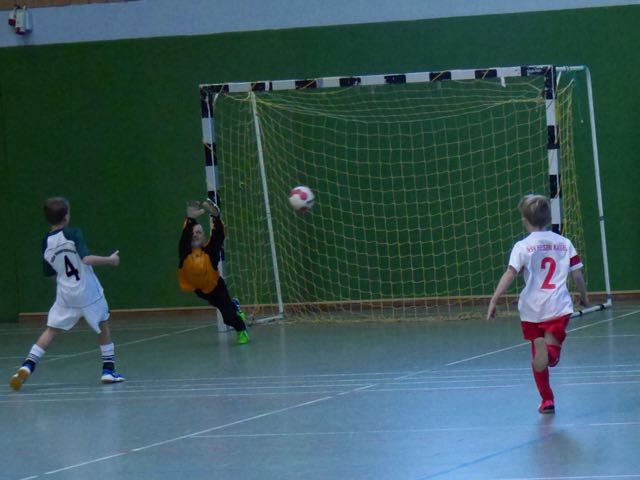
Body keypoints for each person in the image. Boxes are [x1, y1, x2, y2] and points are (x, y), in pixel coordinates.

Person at [487, 194, 589, 414]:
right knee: (551, 356)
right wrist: (584, 296)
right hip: (557, 306)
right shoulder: (564, 243)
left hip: (531, 308)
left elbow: (510, 273)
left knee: (537, 358)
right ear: (549, 219)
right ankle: (549, 354)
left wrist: (494, 300)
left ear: (525, 220)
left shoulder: (522, 246)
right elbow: (577, 274)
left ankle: (547, 400)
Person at [9, 197, 124, 391]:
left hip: (66, 294)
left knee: (51, 330)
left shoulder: (46, 242)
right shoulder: (73, 233)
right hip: (88, 291)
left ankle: (27, 365)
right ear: (66, 216)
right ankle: (108, 370)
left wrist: (65, 282)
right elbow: (86, 259)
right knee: (102, 325)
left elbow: (50, 274)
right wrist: (110, 260)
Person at [178, 199, 249, 344]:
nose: (195, 235)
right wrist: (190, 219)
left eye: (199, 232)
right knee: (223, 306)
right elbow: (185, 235)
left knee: (228, 317)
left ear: (204, 237)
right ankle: (233, 305)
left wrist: (216, 217)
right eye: (193, 233)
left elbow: (218, 236)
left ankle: (241, 330)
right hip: (200, 291)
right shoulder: (184, 252)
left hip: (217, 289)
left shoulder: (210, 251)